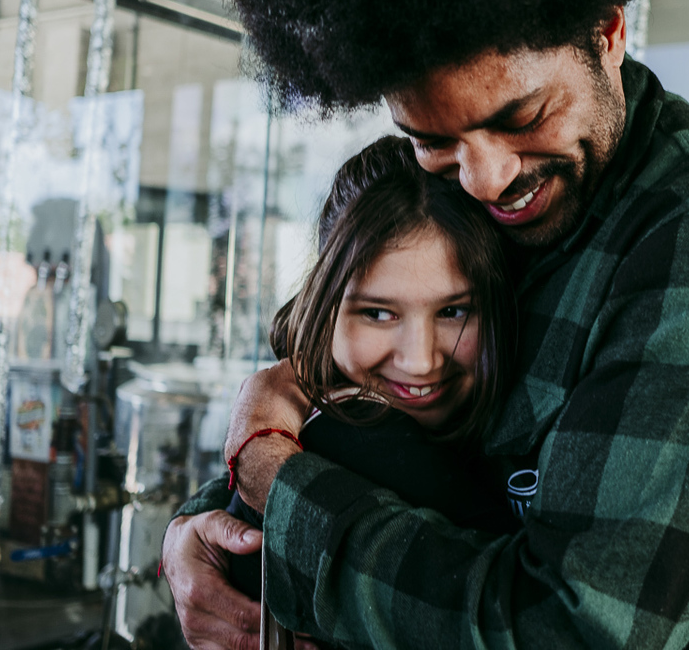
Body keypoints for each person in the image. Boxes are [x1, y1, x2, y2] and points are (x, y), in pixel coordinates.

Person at [162, 0, 689, 648]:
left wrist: (279, 488)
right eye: (434, 139)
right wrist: (206, 528)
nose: (486, 180)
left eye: (523, 116)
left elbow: (571, 631)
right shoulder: (459, 196)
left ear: (607, 32)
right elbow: (360, 422)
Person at [224, 134, 522, 601]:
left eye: (454, 311)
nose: (420, 361)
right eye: (378, 314)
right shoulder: (355, 444)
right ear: (322, 307)